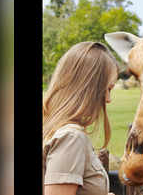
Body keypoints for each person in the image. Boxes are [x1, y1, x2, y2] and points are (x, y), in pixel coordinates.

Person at [43, 41, 119, 195]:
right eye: (108, 89)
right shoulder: (71, 138)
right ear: (89, 88)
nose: (108, 99)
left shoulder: (57, 131)